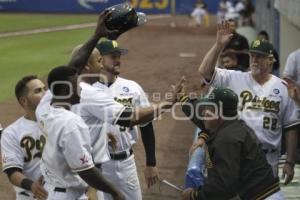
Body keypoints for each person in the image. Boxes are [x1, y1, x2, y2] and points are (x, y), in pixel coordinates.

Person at [198, 21, 300, 185]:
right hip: (236, 158)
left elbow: (291, 127)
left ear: (270, 60)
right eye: (252, 55)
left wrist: (289, 161)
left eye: (259, 56)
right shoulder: (235, 78)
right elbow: (205, 72)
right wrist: (218, 46)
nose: (254, 59)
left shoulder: (282, 88)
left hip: (268, 161)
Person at [38, 66, 125, 200]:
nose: (81, 89)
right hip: (69, 195)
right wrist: (115, 193)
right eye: (77, 85)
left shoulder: (43, 110)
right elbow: (86, 171)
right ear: (67, 89)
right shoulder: (70, 122)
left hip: (52, 188)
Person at [181, 87, 283, 200]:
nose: (204, 112)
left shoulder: (226, 140)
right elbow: (202, 119)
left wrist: (193, 195)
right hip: (265, 193)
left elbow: (222, 188)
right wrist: (182, 98)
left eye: (208, 108)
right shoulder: (234, 127)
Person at [89, 39, 159, 200]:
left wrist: (151, 163)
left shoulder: (133, 88)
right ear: (99, 60)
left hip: (126, 163)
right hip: (98, 166)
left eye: (119, 56)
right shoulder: (87, 90)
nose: (118, 60)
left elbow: (146, 125)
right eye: (113, 56)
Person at [1, 75, 48, 200]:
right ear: (24, 101)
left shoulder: (62, 122)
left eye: (44, 89)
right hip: (32, 196)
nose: (45, 93)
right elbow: (12, 171)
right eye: (38, 91)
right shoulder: (12, 133)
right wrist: (32, 185)